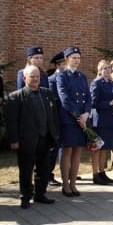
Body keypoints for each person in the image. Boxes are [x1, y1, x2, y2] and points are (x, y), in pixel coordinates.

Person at [5, 65, 59, 209]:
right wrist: (14, 140)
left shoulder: (47, 94)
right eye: (32, 76)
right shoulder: (15, 97)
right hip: (26, 140)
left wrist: (54, 134)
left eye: (37, 76)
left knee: (43, 168)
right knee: (26, 169)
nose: (35, 79)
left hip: (45, 138)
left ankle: (40, 194)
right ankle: (25, 196)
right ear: (24, 78)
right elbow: (11, 121)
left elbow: (53, 116)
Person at [56, 46, 91, 197]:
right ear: (67, 59)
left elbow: (88, 97)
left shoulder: (82, 76)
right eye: (74, 57)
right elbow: (65, 99)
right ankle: (65, 185)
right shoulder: (62, 76)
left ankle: (73, 184)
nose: (77, 60)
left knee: (78, 152)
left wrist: (86, 114)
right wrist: (79, 116)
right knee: (67, 151)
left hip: (81, 119)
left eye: (78, 57)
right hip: (69, 119)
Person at [90, 60, 113, 185]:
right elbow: (93, 102)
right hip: (100, 120)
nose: (107, 70)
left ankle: (102, 172)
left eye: (109, 68)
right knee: (97, 148)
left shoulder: (110, 83)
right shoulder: (97, 83)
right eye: (104, 68)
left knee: (105, 148)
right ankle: (95, 174)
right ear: (99, 70)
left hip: (110, 119)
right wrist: (110, 103)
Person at [47, 51, 66, 186]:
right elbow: (54, 100)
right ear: (58, 65)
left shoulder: (69, 78)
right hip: (57, 117)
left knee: (67, 146)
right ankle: (48, 175)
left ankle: (67, 172)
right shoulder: (52, 80)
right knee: (54, 147)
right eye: (64, 63)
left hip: (68, 118)